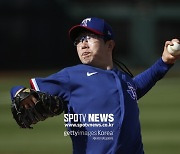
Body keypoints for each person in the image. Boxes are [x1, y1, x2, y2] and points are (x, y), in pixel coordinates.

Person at [10, 17, 180, 154]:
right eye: (78, 40)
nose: (82, 44)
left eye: (89, 38)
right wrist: (18, 92)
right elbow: (24, 92)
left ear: (109, 44)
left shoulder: (123, 79)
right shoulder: (71, 76)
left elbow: (135, 88)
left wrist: (164, 62)